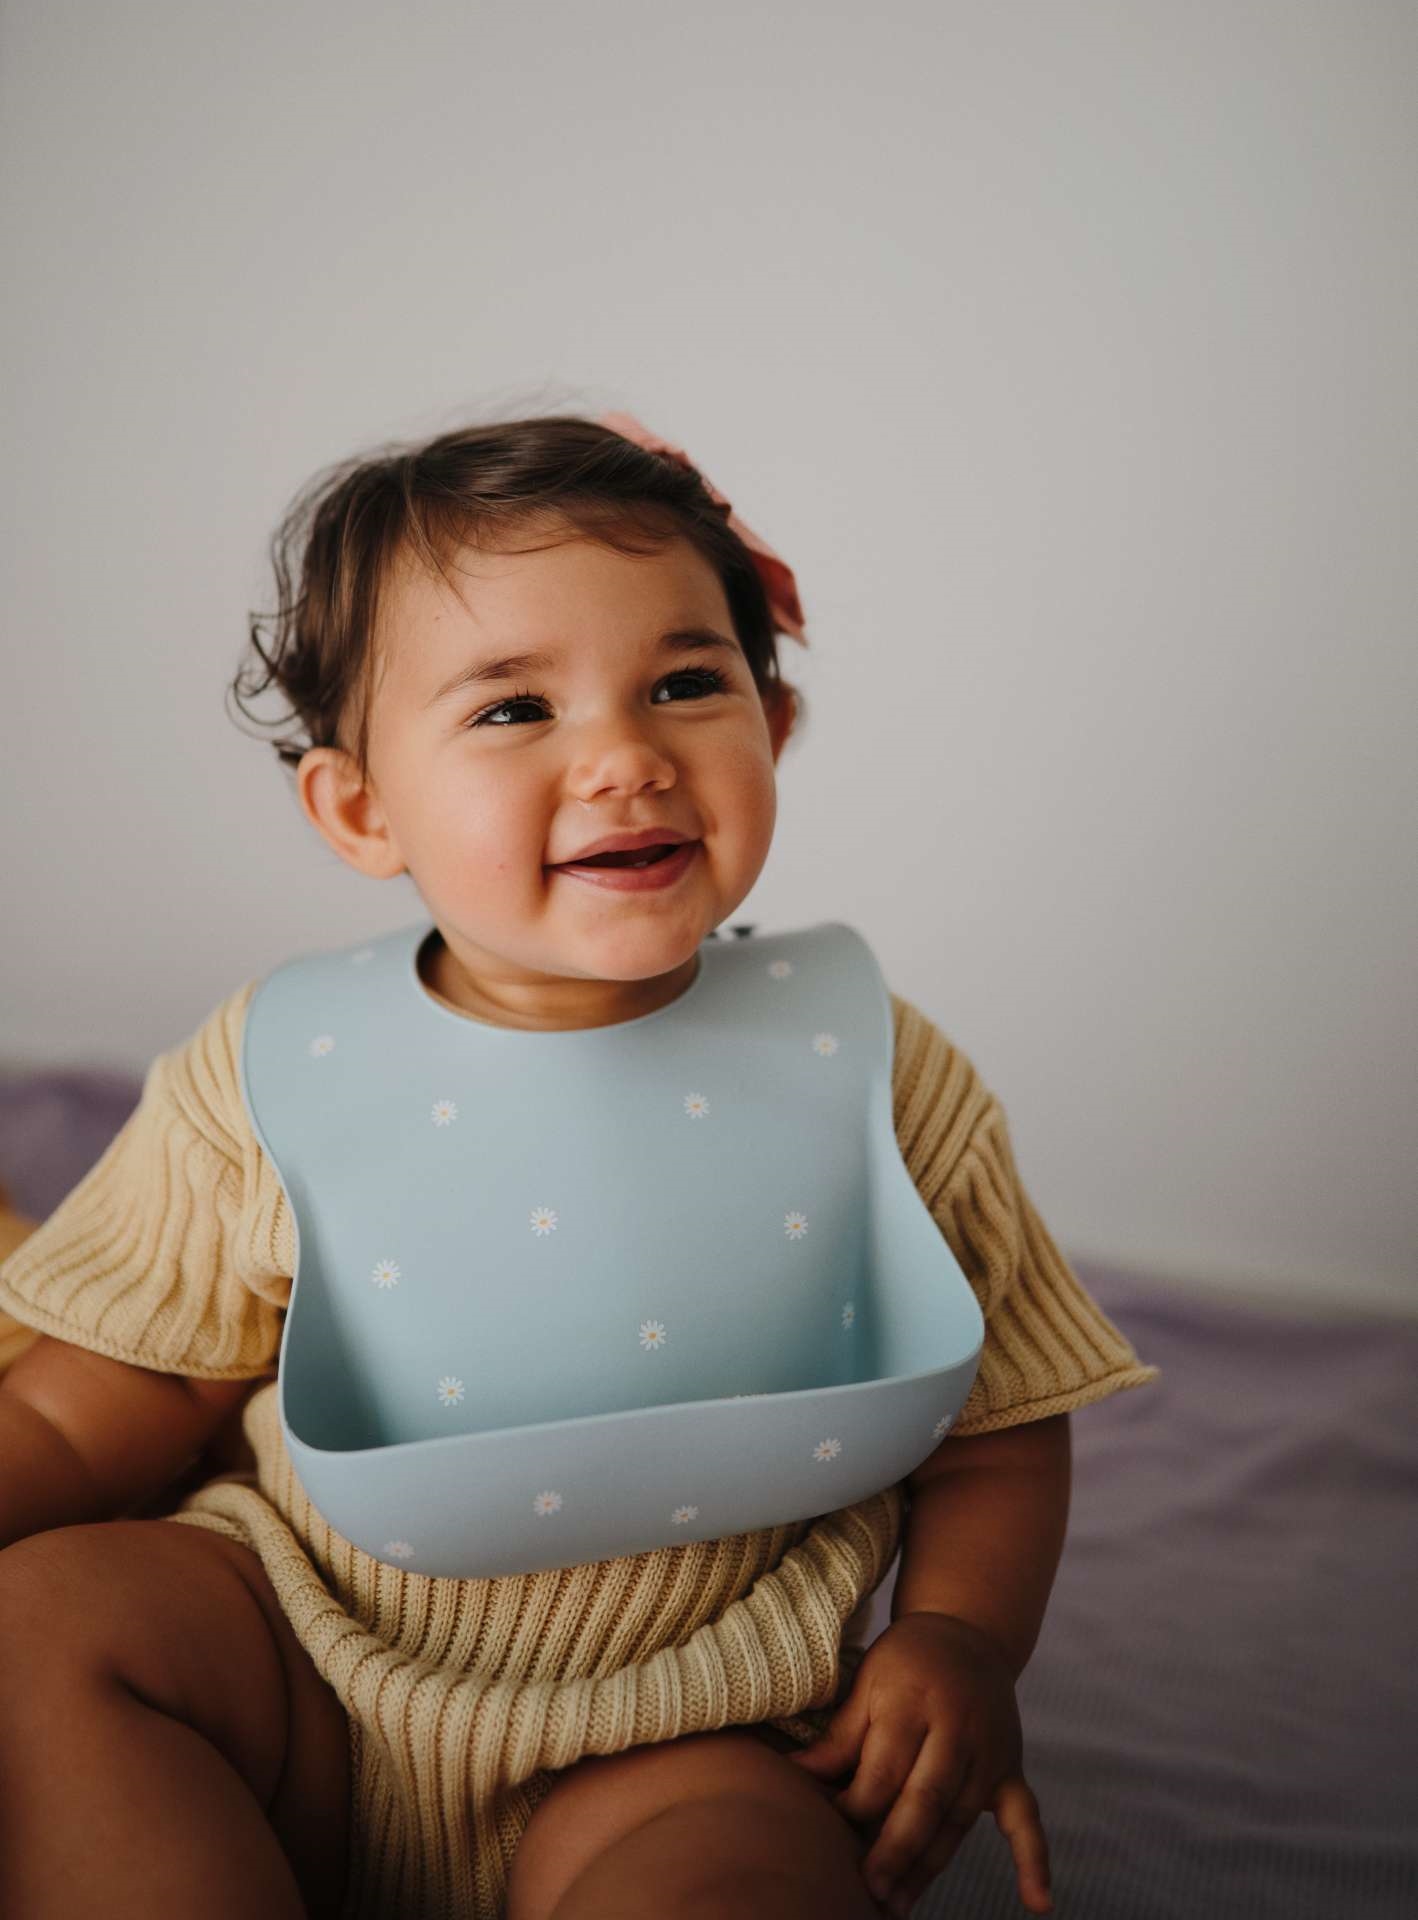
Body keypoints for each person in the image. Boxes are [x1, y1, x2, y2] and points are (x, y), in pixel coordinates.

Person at [0, 409, 1160, 1920]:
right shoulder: (275, 1066)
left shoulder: (871, 1064)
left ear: (774, 725)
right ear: (361, 806)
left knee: (739, 1877)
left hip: (690, 1727)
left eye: (685, 684)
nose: (624, 757)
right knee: (39, 1627)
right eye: (512, 708)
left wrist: (960, 1639)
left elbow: (995, 1419)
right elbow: (107, 1399)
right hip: (299, 1656)